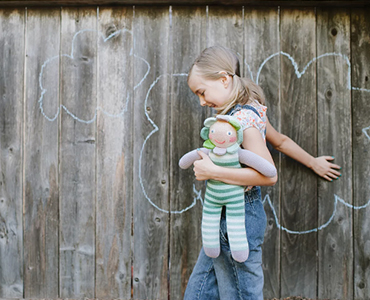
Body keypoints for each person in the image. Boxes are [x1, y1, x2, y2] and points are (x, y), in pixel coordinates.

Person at [183, 46, 341, 300]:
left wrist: (213, 171)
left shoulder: (244, 119)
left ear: (224, 79)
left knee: (243, 294)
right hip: (221, 219)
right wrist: (313, 162)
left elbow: (269, 175)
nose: (202, 102)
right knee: (199, 292)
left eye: (202, 92)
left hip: (238, 217)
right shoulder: (249, 109)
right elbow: (279, 141)